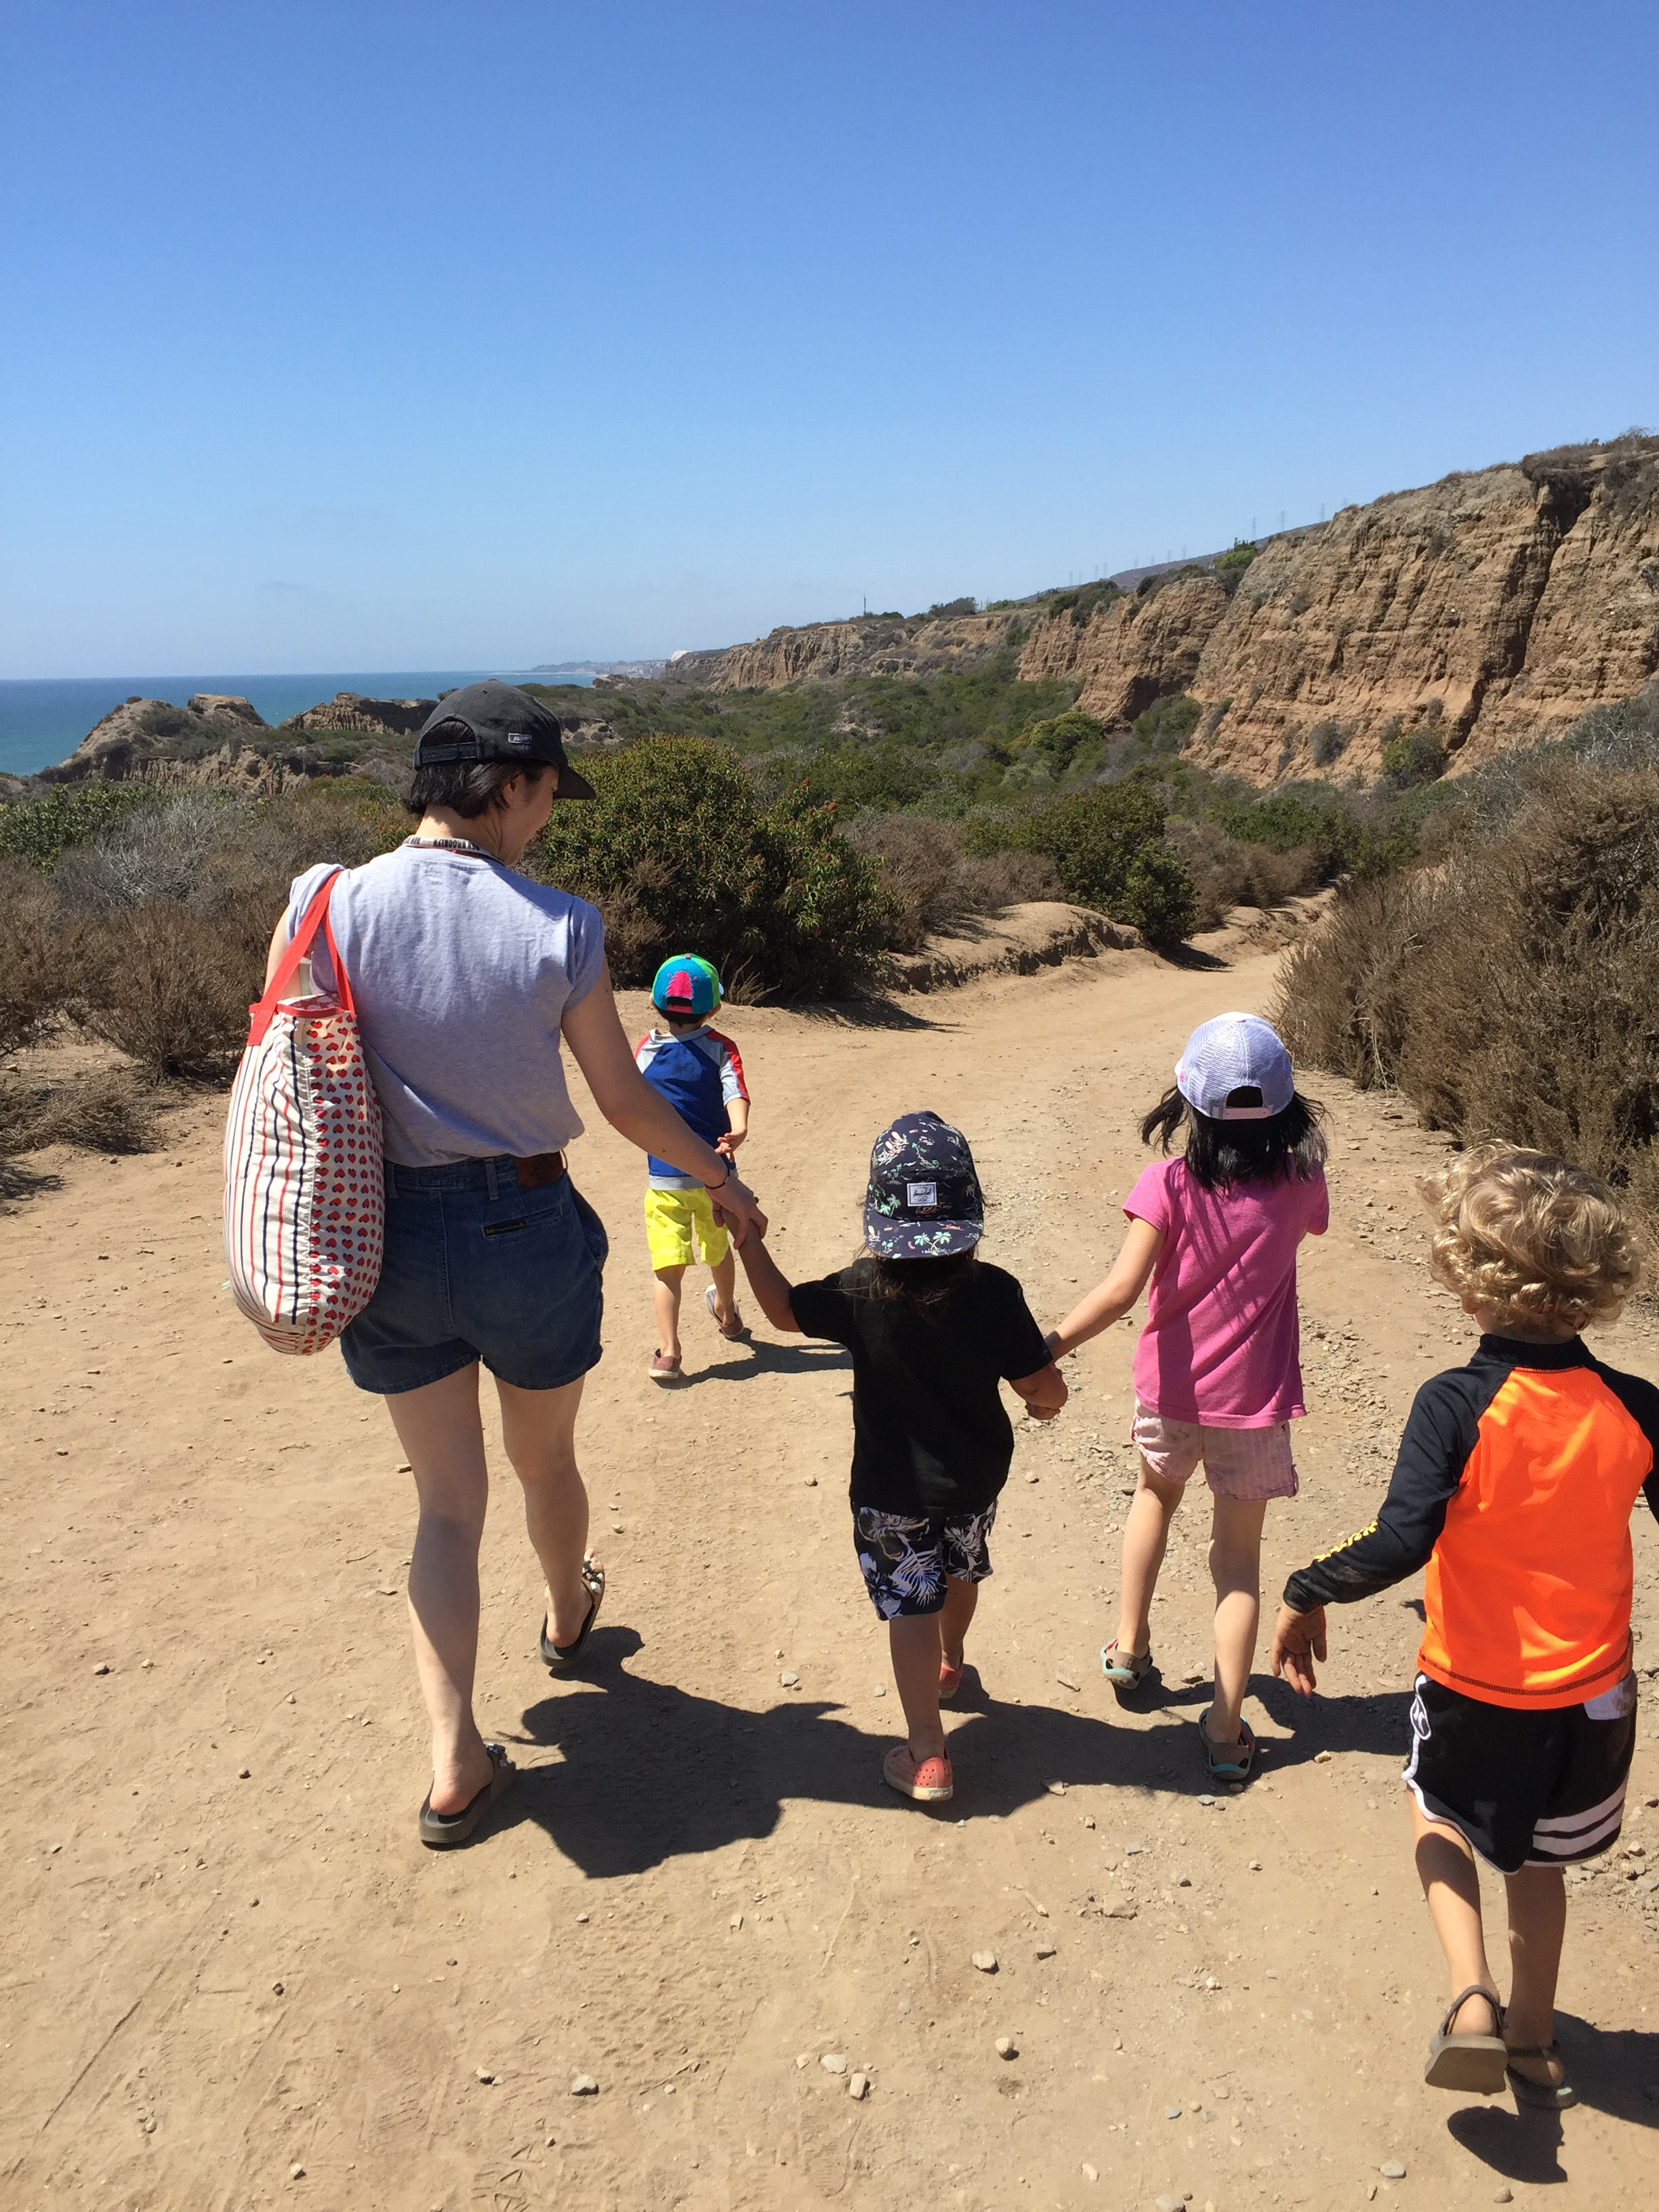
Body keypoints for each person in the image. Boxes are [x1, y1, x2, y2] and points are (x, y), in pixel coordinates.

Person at [264, 681, 764, 1848]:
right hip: (524, 1226)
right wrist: (723, 1182)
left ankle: (454, 1762)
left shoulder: (323, 901)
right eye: (545, 794)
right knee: (545, 1462)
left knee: (445, 1503)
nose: (546, 817)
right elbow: (624, 1099)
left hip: (384, 1234)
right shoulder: (561, 925)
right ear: (509, 785)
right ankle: (568, 1616)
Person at [1271, 1145, 1657, 2108]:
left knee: (1435, 1807)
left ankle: (1472, 1997)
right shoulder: (1636, 1407)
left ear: (1469, 1281)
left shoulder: (1457, 1402)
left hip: (1476, 1683)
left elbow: (1402, 1539)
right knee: (1541, 1861)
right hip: (1594, 1697)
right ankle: (1534, 2041)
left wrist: (1308, 1588)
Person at [734, 1110, 1067, 1803]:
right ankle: (952, 1658)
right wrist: (1045, 1403)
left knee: (911, 1606)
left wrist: (748, 1242)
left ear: (878, 1214)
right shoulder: (996, 1292)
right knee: (962, 1569)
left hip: (889, 1493)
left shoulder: (862, 1289)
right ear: (970, 1210)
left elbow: (783, 1311)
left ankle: (926, 1753)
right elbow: (1042, 1386)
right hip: (972, 1483)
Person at [1046, 1011, 1328, 1783]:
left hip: (1170, 1396)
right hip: (1257, 1405)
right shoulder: (1303, 1183)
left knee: (1153, 1499)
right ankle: (1227, 1731)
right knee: (1238, 1563)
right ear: (1285, 1104)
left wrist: (1044, 1349)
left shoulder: (1166, 1184)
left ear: (1189, 1102)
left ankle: (1129, 1648)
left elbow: (1120, 1291)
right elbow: (1311, 1225)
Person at [634, 954, 752, 1380]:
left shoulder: (645, 1050)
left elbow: (632, 1100)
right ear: (714, 1008)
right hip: (715, 1178)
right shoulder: (721, 1047)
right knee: (718, 1250)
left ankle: (669, 1353)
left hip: (664, 1179)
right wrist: (738, 1130)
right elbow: (734, 1091)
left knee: (668, 1268)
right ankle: (727, 1315)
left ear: (655, 1003)